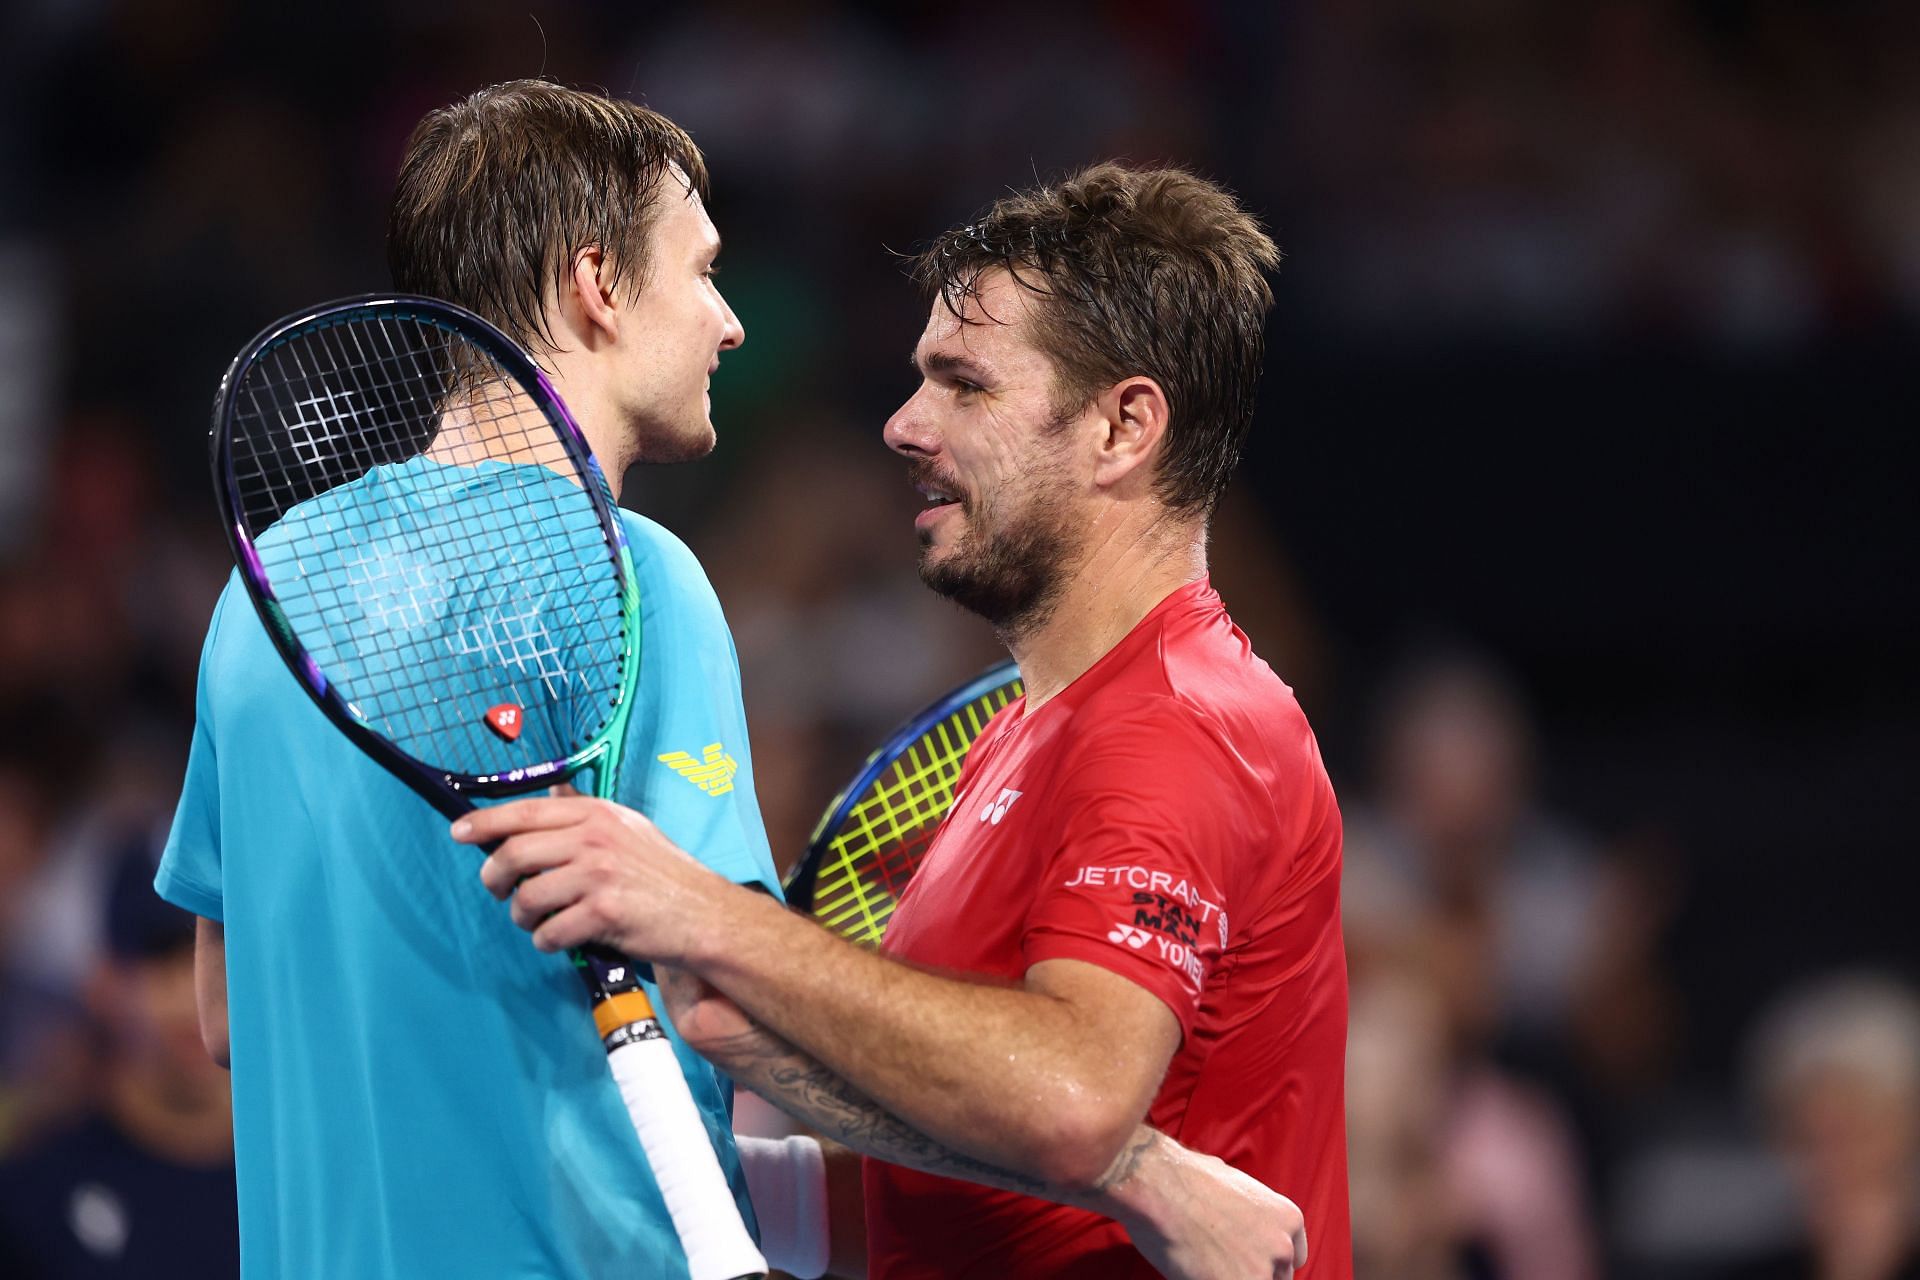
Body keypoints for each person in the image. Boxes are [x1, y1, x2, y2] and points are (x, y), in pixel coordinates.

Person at [462, 163, 1349, 1278]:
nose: (900, 424)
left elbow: (1075, 1101)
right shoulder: (1011, 736)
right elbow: (991, 1175)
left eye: (964, 384)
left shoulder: (1179, 726)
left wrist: (700, 912)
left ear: (1124, 427)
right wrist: (735, 1156)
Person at [154, 80, 773, 1278]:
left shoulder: (263, 595)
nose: (729, 322)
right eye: (700, 272)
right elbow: (729, 998)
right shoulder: (642, 582)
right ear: (598, 283)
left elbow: (229, 1017)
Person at [0, 839, 238, 1277]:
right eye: (166, 956)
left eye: (230, 954)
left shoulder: (310, 1190)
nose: (201, 995)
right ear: (103, 982)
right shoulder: (31, 1193)